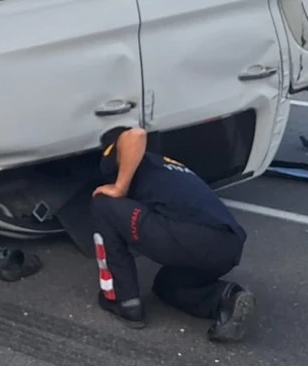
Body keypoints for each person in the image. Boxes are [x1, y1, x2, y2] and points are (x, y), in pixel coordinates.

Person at [91, 125, 255, 341]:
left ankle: (124, 300)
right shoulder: (167, 165)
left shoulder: (124, 150)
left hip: (191, 236)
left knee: (103, 203)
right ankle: (226, 299)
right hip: (228, 246)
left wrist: (119, 187)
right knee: (167, 285)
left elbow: (136, 134)